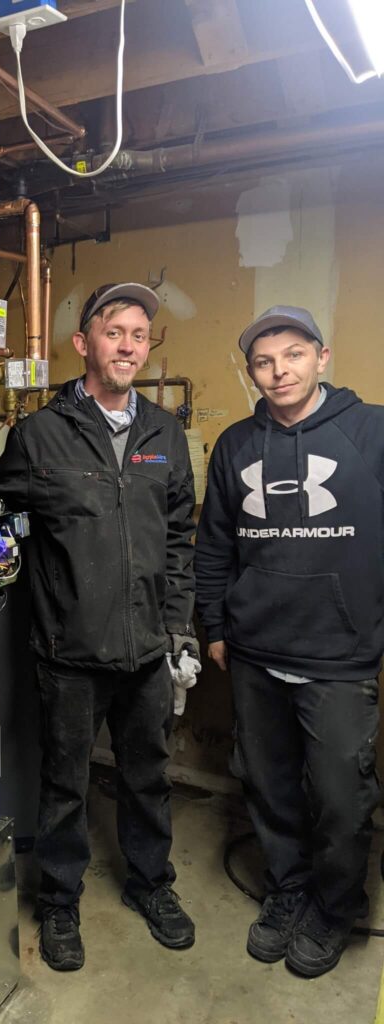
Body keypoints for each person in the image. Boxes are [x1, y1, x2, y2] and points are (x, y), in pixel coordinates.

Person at [0, 282, 198, 971]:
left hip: (148, 646)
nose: (128, 345)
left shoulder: (164, 432)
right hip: (69, 650)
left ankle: (152, 885)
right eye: (114, 332)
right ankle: (60, 902)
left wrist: (178, 630)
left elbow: (179, 538)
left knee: (146, 775)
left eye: (138, 334)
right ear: (83, 344)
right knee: (66, 784)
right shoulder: (40, 433)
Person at [195, 306, 382, 978]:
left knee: (340, 797)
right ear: (253, 373)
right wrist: (215, 626)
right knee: (268, 787)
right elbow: (213, 544)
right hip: (255, 652)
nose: (279, 371)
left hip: (341, 654)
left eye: (293, 355)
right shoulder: (236, 446)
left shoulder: (372, 431)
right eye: (265, 362)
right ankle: (289, 892)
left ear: (322, 357)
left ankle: (334, 909)